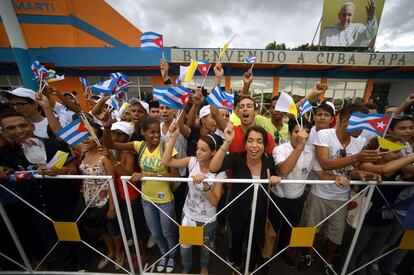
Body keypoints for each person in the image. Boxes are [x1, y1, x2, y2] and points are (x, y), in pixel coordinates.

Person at [300, 104, 382, 275]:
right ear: (345, 121)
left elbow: (350, 169)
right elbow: (325, 163)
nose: (364, 130)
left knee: (337, 234)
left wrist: (363, 174)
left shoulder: (359, 142)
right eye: (362, 124)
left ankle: (328, 261)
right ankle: (308, 255)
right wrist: (357, 157)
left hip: (342, 197)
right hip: (319, 194)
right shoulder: (325, 135)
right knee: (311, 229)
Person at [101, 115, 179, 273]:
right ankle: (164, 254)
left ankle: (172, 255)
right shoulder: (139, 146)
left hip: (165, 200)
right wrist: (107, 127)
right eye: (151, 132)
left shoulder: (167, 147)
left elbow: (175, 175)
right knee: (156, 233)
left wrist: (148, 176)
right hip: (146, 199)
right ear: (142, 132)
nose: (156, 135)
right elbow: (110, 144)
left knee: (167, 232)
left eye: (158, 132)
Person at [209, 124, 281, 273]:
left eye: (259, 141)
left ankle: (250, 268)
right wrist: (227, 143)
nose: (254, 146)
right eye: (250, 140)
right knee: (236, 240)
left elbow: (273, 179)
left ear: (265, 145)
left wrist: (275, 178)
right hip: (237, 211)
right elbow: (213, 168)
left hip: (259, 212)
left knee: (255, 243)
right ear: (245, 143)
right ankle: (237, 264)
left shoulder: (268, 161)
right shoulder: (236, 158)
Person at [162, 123, 225, 274]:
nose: (198, 152)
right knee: (185, 246)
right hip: (188, 215)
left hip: (207, 219)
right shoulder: (191, 161)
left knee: (206, 247)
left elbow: (215, 201)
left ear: (214, 152)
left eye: (203, 150)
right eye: (197, 148)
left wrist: (205, 184)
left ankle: (204, 266)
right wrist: (172, 137)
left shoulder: (219, 173)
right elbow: (167, 162)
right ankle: (187, 268)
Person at [347, 137, 414, 275]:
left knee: (369, 252)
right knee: (353, 251)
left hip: (387, 221)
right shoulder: (367, 165)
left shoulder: (400, 169)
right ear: (381, 152)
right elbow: (384, 169)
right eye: (396, 152)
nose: (400, 156)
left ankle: (362, 271)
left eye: (401, 152)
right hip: (366, 218)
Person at [75, 123, 124, 270]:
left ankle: (119, 253)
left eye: (90, 134)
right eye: (84, 134)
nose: (86, 138)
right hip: (89, 198)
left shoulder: (105, 157)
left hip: (105, 199)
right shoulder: (83, 152)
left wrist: (112, 206)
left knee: (112, 228)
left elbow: (112, 181)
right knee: (102, 228)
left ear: (99, 138)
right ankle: (110, 252)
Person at [269, 119, 314, 268]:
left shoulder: (311, 151)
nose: (301, 135)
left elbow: (317, 171)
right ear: (289, 134)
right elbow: (284, 170)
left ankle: (282, 252)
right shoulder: (280, 149)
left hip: (298, 199)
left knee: (290, 229)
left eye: (305, 131)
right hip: (279, 198)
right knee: (271, 230)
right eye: (297, 131)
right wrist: (300, 146)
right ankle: (266, 256)